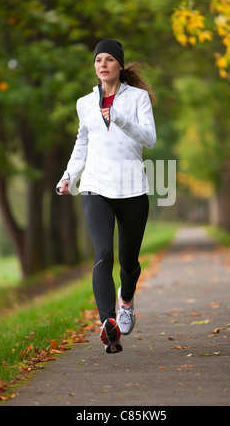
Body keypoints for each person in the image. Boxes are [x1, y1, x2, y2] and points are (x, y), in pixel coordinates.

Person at [57, 39, 156, 353]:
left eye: (109, 59)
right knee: (103, 255)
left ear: (119, 65)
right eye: (98, 59)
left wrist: (120, 118)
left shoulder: (138, 98)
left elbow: (151, 139)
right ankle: (108, 323)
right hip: (95, 187)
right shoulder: (84, 103)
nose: (103, 64)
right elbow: (82, 144)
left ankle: (125, 300)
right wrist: (69, 175)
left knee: (128, 261)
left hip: (132, 188)